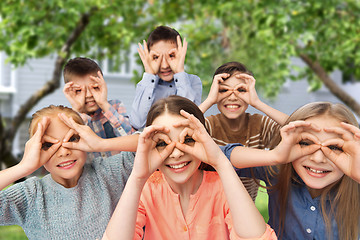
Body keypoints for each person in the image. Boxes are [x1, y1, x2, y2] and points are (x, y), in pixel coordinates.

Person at [102, 96, 277, 240]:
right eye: (163, 143)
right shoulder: (146, 190)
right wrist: (137, 177)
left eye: (187, 140)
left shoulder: (222, 187)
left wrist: (220, 162)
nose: (176, 153)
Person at [222, 102, 360, 239]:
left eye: (334, 147)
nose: (318, 159)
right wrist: (274, 156)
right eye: (305, 143)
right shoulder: (279, 170)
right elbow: (214, 156)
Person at [0, 105, 137, 240]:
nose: (64, 151)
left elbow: (154, 142)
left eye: (72, 139)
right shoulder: (31, 195)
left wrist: (101, 144)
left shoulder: (109, 173)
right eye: (48, 145)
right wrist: (24, 167)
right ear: (35, 149)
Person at [199, 61, 289, 201]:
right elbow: (178, 128)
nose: (233, 96)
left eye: (241, 90)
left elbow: (300, 127)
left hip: (246, 208)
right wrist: (209, 100)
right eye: (224, 90)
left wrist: (257, 103)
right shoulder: (208, 125)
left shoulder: (259, 125)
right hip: (211, 207)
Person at [129, 26, 202, 130]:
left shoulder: (193, 81)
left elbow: (187, 120)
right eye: (156, 57)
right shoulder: (145, 84)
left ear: (181, 54)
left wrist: (179, 72)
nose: (164, 65)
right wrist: (149, 73)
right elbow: (138, 123)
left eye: (171, 55)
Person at [63, 57, 134, 160]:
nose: (88, 95)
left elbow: (131, 138)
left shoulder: (115, 106)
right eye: (79, 90)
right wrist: (77, 110)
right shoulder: (68, 119)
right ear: (70, 92)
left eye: (95, 88)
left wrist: (104, 104)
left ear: (103, 85)